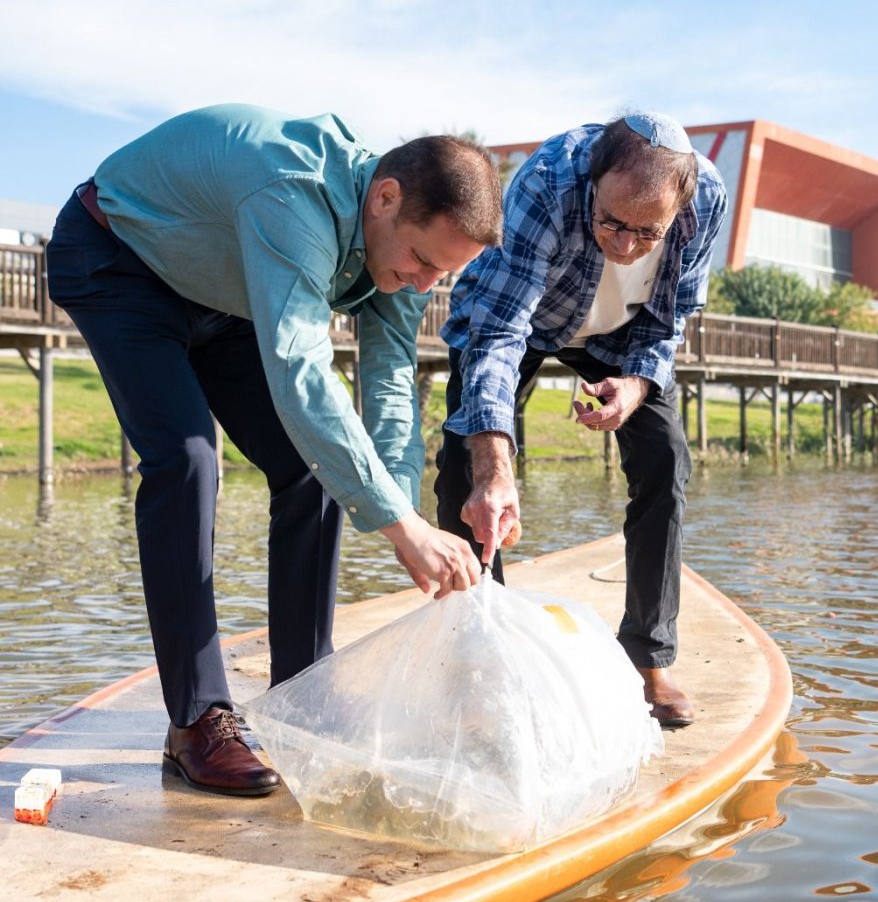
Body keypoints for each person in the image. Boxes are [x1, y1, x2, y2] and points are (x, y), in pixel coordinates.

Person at [44, 104, 503, 797]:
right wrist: (398, 526)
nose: (423, 282)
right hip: (120, 261)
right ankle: (196, 722)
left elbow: (385, 389)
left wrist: (405, 514)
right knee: (187, 459)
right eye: (421, 261)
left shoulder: (403, 255)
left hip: (222, 294)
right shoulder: (292, 193)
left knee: (312, 467)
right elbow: (301, 375)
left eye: (441, 273)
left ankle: (302, 698)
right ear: (385, 198)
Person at [435, 112, 727, 728]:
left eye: (647, 233)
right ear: (594, 180)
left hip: (624, 338)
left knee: (666, 458)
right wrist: (494, 467)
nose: (624, 245)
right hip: (525, 316)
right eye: (611, 221)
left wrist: (637, 382)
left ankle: (648, 657)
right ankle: (482, 660)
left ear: (678, 207)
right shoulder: (549, 177)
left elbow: (668, 320)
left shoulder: (709, 199)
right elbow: (501, 330)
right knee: (466, 465)